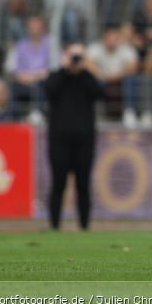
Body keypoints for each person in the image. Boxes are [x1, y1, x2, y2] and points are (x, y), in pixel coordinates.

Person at [46, 42, 104, 230]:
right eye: (73, 55)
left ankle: (84, 226)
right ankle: (55, 226)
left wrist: (85, 70)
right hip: (59, 140)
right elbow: (50, 90)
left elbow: (99, 92)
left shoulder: (87, 78)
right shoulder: (58, 76)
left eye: (79, 56)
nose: (75, 60)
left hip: (84, 141)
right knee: (58, 184)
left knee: (83, 185)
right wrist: (65, 69)